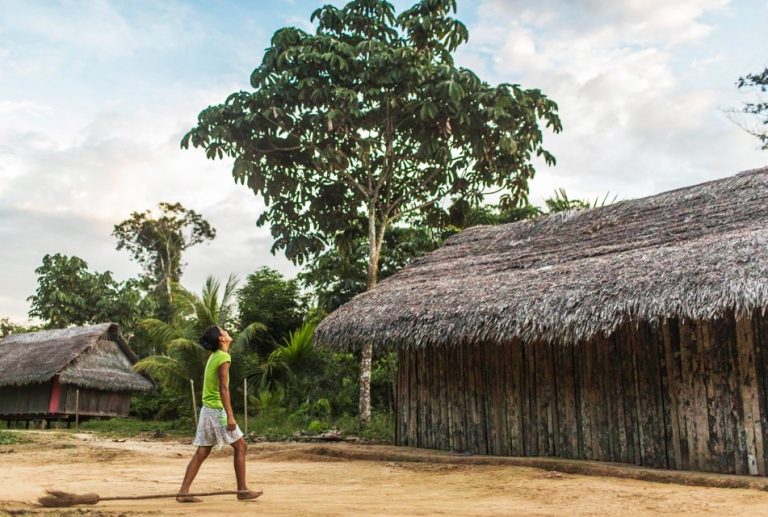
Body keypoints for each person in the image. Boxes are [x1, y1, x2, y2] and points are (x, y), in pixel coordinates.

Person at [176, 325, 262, 503]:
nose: (227, 333)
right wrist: (230, 415)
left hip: (207, 410)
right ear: (221, 339)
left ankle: (183, 492)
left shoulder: (214, 357)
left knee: (202, 452)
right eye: (224, 331)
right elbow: (223, 388)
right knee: (241, 447)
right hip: (216, 411)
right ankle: (242, 490)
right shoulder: (223, 356)